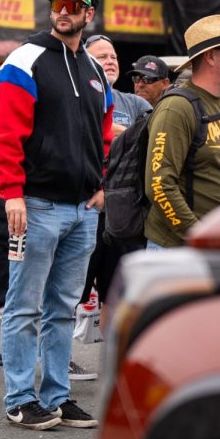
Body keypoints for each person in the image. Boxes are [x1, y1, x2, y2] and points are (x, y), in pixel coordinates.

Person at [0, 0, 112, 430]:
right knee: (24, 306)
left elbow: (103, 133)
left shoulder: (96, 70)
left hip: (82, 210)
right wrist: (11, 193)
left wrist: (100, 185)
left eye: (73, 5)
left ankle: (57, 396)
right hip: (35, 205)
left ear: (88, 13)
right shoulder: (26, 59)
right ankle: (20, 397)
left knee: (63, 308)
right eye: (57, 3)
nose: (63, 10)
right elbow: (2, 133)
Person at [145, 15, 220, 249]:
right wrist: (198, 235)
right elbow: (159, 185)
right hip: (177, 251)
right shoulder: (177, 108)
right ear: (211, 56)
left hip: (219, 246)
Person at [77, 33, 150, 359]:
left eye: (114, 57)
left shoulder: (134, 103)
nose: (110, 61)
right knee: (73, 290)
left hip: (124, 214)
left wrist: (114, 131)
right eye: (101, 56)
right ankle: (60, 362)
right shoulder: (77, 97)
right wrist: (126, 132)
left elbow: (154, 134)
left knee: (114, 291)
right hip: (86, 209)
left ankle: (111, 362)